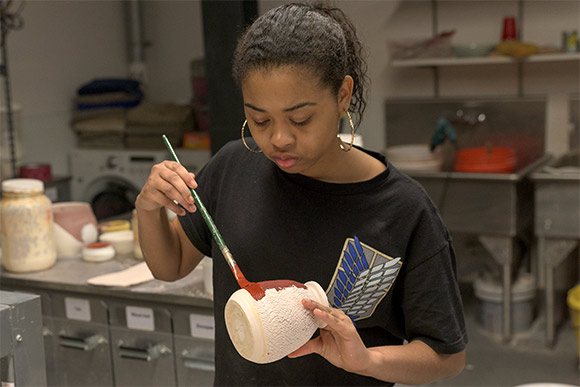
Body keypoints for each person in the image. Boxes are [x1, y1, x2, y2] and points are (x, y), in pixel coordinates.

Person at [136, 2, 468, 386]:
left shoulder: (403, 210)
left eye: (300, 119)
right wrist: (148, 208)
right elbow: (170, 264)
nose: (278, 139)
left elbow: (447, 355)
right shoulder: (233, 168)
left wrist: (366, 360)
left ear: (343, 95)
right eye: (259, 119)